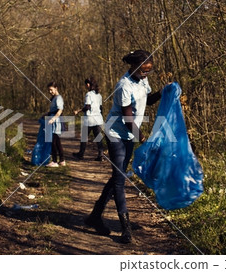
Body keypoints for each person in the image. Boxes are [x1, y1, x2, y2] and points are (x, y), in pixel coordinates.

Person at [84, 50, 162, 244]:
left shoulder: (142, 80)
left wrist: (163, 92)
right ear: (134, 67)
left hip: (130, 133)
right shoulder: (123, 86)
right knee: (119, 180)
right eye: (144, 70)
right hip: (116, 132)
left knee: (117, 176)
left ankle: (95, 215)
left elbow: (148, 100)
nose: (146, 74)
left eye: (149, 70)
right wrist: (143, 138)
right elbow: (128, 118)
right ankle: (125, 229)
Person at [73, 76, 104, 161]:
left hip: (90, 119)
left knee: (84, 137)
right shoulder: (99, 95)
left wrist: (78, 111)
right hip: (98, 119)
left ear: (88, 84)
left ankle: (81, 154)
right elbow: (101, 108)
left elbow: (87, 107)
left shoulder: (88, 94)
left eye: (85, 84)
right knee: (98, 138)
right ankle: (100, 155)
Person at [43, 81, 66, 167]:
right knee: (57, 142)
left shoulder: (58, 98)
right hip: (53, 120)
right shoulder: (54, 98)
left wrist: (53, 119)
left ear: (56, 88)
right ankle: (62, 160)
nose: (50, 92)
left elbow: (60, 110)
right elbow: (53, 110)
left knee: (53, 142)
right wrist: (46, 114)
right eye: (49, 90)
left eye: (51, 90)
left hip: (56, 122)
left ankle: (55, 161)